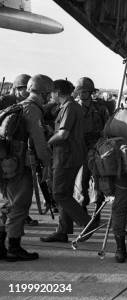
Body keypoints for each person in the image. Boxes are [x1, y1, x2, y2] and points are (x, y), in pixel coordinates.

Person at [0, 74, 53, 261]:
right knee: (19, 206)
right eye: (49, 93)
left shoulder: (17, 106)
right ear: (44, 93)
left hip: (6, 164)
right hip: (19, 166)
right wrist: (48, 163)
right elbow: (39, 141)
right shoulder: (32, 110)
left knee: (6, 205)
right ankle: (14, 248)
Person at [40, 80, 92, 243]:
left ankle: (87, 224)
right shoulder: (69, 107)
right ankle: (63, 231)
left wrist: (47, 142)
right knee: (65, 193)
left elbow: (63, 135)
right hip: (69, 155)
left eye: (51, 93)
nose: (50, 96)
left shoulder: (69, 107)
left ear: (57, 92)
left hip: (66, 157)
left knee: (59, 193)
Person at [0, 74, 39, 227]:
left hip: (16, 150)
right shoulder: (4, 101)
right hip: (5, 149)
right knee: (10, 188)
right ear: (16, 89)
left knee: (17, 190)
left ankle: (21, 215)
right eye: (23, 89)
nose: (27, 92)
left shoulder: (23, 103)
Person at [75, 77, 109, 225]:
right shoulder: (73, 107)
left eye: (86, 92)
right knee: (81, 181)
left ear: (90, 92)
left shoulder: (100, 108)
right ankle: (83, 212)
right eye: (80, 91)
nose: (83, 94)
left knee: (98, 180)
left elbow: (107, 127)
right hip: (80, 148)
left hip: (97, 147)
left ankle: (97, 213)